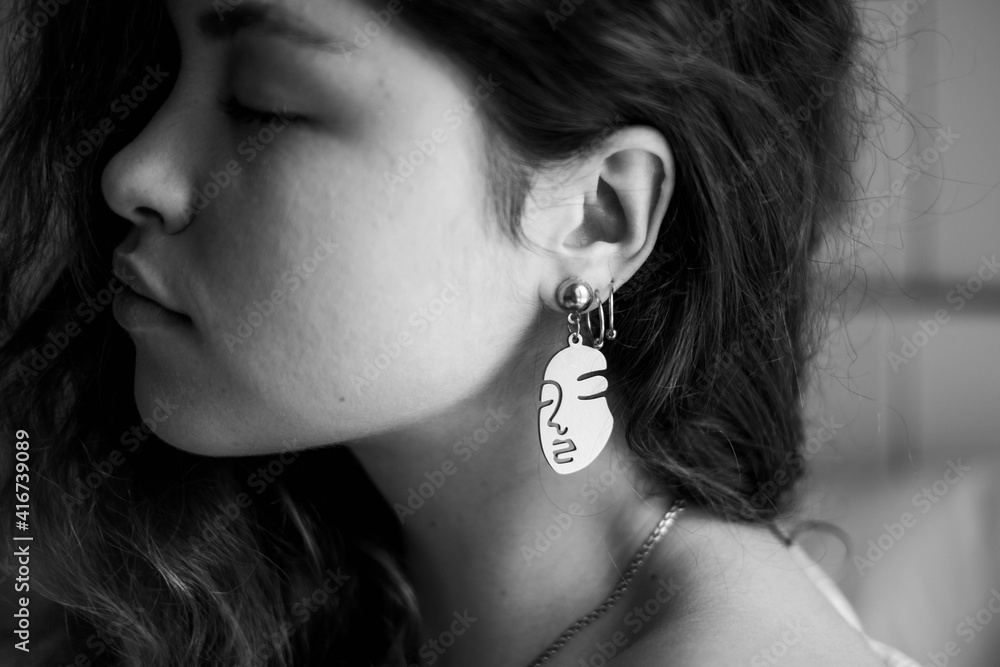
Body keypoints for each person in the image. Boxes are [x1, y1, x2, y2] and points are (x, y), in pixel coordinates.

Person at [0, 0, 921, 665]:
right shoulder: (310, 571)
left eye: (260, 100)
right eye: (161, 76)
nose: (134, 170)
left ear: (595, 216)